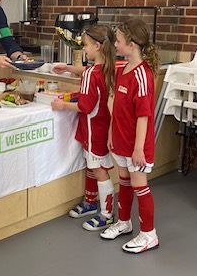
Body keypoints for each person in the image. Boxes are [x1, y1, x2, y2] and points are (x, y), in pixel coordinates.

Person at [100, 18, 161, 253]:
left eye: (119, 40)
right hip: (120, 140)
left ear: (132, 44)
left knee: (139, 184)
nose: (115, 44)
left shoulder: (143, 75)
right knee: (123, 181)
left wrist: (138, 149)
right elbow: (116, 106)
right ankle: (124, 223)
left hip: (137, 146)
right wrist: (110, 133)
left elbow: (144, 116)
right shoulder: (122, 69)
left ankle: (149, 235)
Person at [51, 25, 116, 231]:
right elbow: (89, 72)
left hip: (92, 128)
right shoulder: (108, 67)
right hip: (101, 126)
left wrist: (62, 105)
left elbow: (85, 106)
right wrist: (70, 68)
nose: (83, 50)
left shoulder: (91, 74)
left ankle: (106, 214)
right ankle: (90, 201)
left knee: (98, 170)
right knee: (92, 165)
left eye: (85, 45)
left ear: (97, 46)